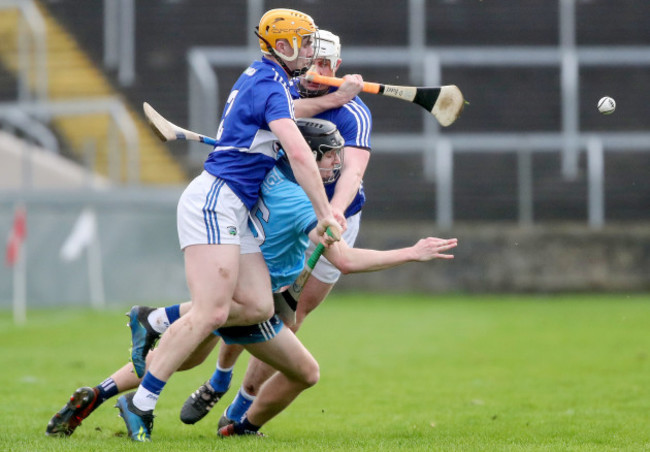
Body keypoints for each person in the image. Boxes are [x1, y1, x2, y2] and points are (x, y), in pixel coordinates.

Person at [45, 119, 458, 439]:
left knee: (187, 351)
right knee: (305, 372)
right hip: (256, 297)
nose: (338, 162)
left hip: (236, 280)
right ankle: (237, 425)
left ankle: (101, 389)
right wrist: (411, 252)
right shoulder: (303, 203)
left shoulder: (266, 167)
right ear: (309, 156)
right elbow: (345, 260)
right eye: (331, 155)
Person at [114, 8, 343, 442]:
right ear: (283, 46)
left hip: (237, 207)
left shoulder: (269, 81)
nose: (311, 51)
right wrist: (326, 211)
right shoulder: (267, 84)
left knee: (257, 306)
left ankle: (156, 320)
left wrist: (333, 99)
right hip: (217, 199)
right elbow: (297, 150)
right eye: (306, 42)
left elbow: (292, 111)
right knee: (213, 311)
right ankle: (140, 403)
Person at [179, 29, 374, 429]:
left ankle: (242, 405)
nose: (317, 70)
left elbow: (353, 171)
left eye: (325, 64)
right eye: (312, 60)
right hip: (283, 211)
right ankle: (218, 378)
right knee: (245, 300)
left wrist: (332, 214)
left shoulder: (353, 113)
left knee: (289, 316)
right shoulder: (285, 92)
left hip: (335, 218)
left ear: (335, 66)